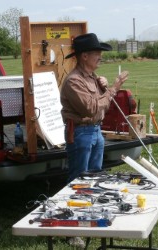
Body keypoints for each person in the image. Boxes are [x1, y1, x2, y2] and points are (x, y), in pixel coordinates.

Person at [60, 33, 129, 183]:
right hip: (81, 133)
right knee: (80, 180)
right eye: (97, 53)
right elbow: (91, 109)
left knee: (95, 177)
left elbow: (103, 106)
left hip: (95, 131)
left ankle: (91, 205)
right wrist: (114, 88)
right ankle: (77, 206)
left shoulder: (92, 77)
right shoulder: (74, 81)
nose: (100, 56)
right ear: (84, 56)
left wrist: (104, 89)